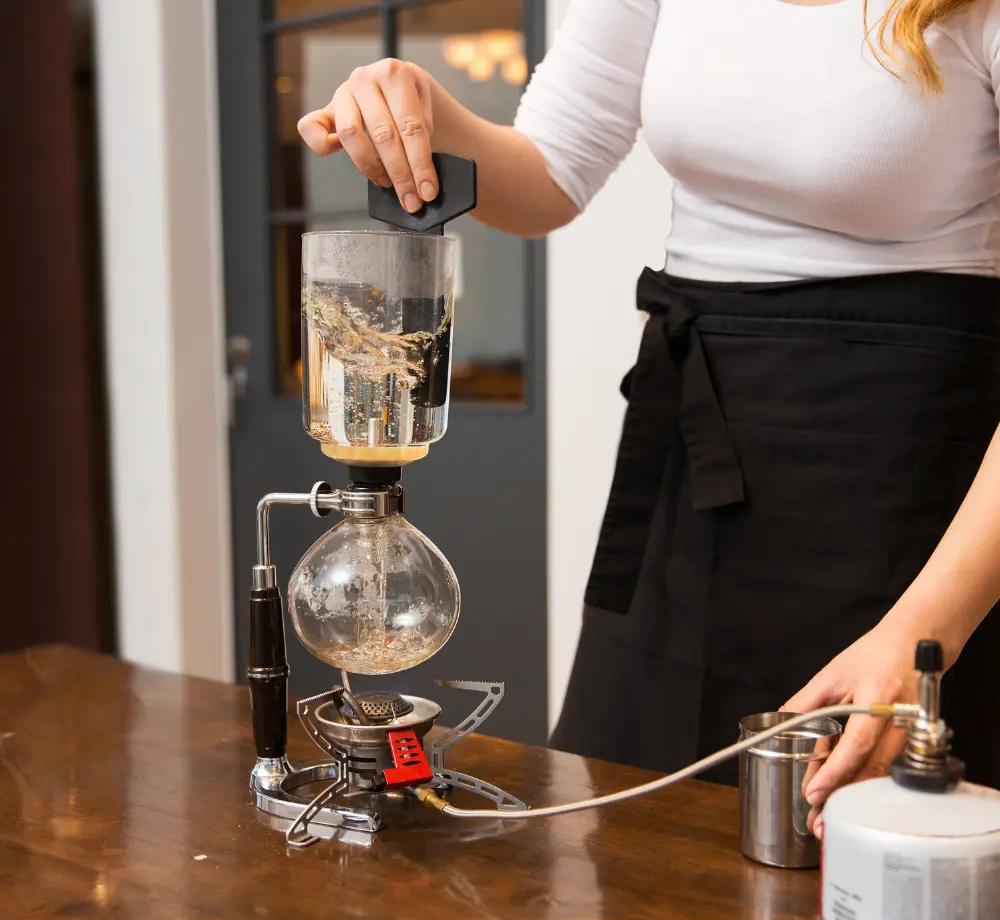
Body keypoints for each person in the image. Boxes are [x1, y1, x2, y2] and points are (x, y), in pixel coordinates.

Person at [298, 0, 1000, 833]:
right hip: (695, 452)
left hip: (920, 490)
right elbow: (545, 177)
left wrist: (921, 638)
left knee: (867, 855)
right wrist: (421, 109)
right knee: (636, 828)